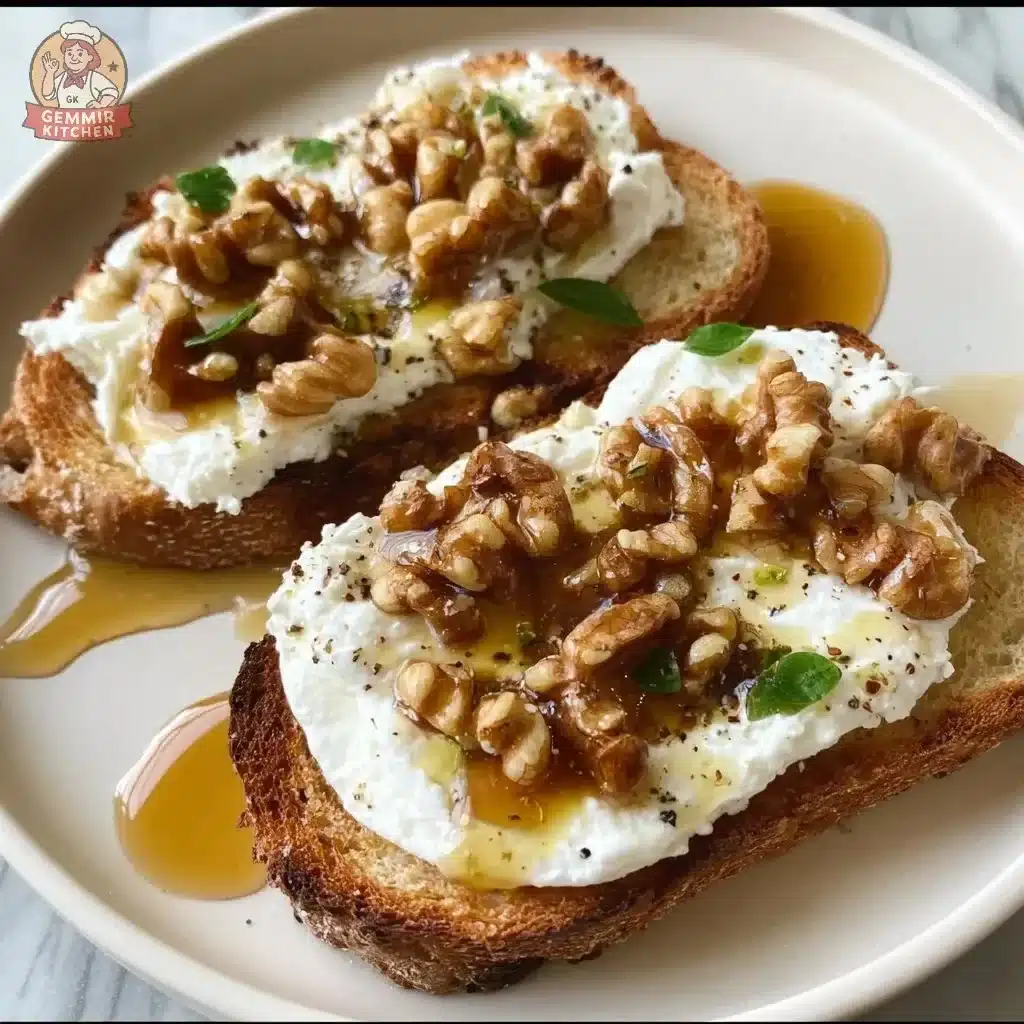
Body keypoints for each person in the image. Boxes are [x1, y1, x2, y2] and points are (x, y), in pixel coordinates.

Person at [39, 20, 119, 109]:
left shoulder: (93, 77)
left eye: (80, 54)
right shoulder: (62, 77)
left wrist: (101, 104)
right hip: (65, 120)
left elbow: (111, 92)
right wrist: (50, 73)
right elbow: (48, 95)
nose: (74, 58)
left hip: (90, 121)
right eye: (69, 53)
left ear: (90, 57)